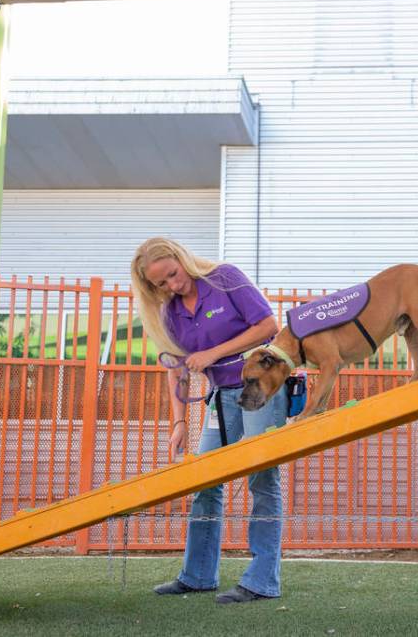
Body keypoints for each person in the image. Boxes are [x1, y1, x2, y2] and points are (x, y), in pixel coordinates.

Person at [130, 237, 288, 604]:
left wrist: (212, 353)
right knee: (204, 480)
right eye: (161, 284)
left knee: (262, 478)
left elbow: (267, 326)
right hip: (221, 397)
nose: (172, 285)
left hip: (260, 389)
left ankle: (262, 581)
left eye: (173, 274)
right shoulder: (169, 312)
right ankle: (198, 575)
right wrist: (179, 422)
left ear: (182, 258)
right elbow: (177, 368)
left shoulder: (224, 278)